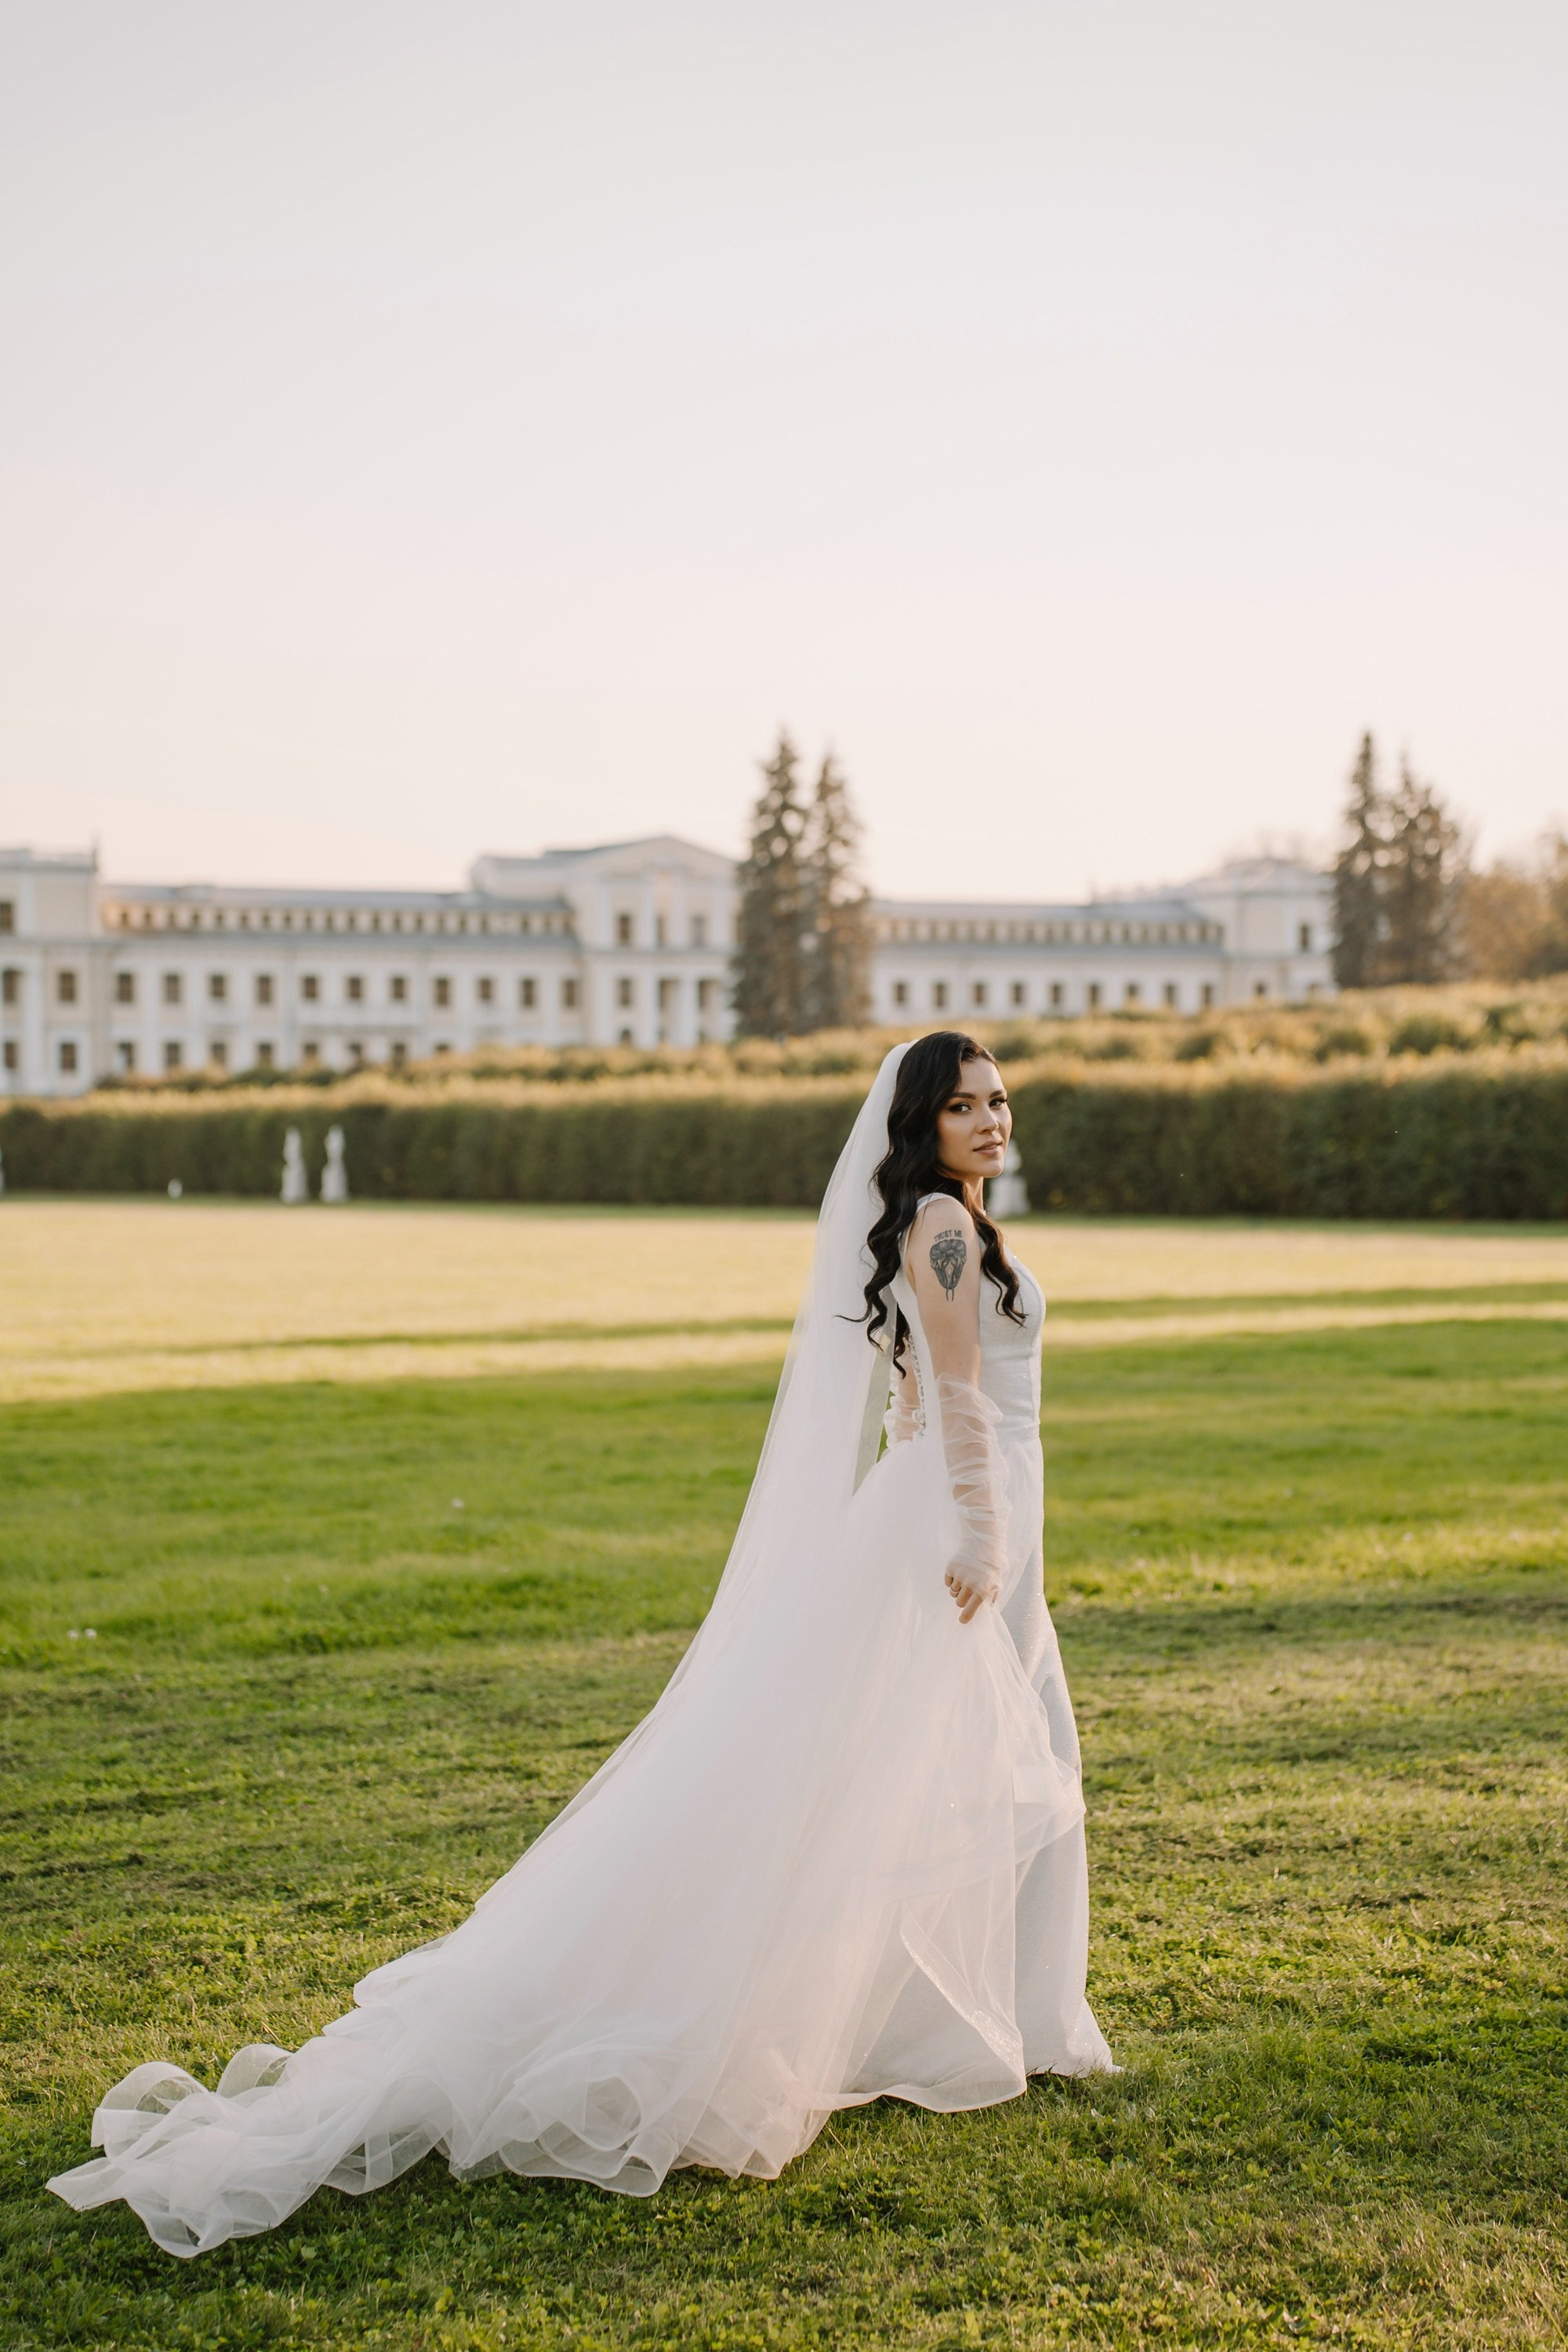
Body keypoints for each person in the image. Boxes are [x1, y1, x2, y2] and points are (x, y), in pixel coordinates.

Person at [49, 1033, 1112, 2257]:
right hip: (953, 1524)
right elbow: (963, 1393)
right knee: (961, 1765)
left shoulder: (943, 1224)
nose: (991, 1119)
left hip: (958, 1512)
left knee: (939, 1771)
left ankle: (984, 2018)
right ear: (919, 1122)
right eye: (965, 1104)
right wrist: (979, 1537)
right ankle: (1004, 2022)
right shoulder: (944, 1228)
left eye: (999, 1100)